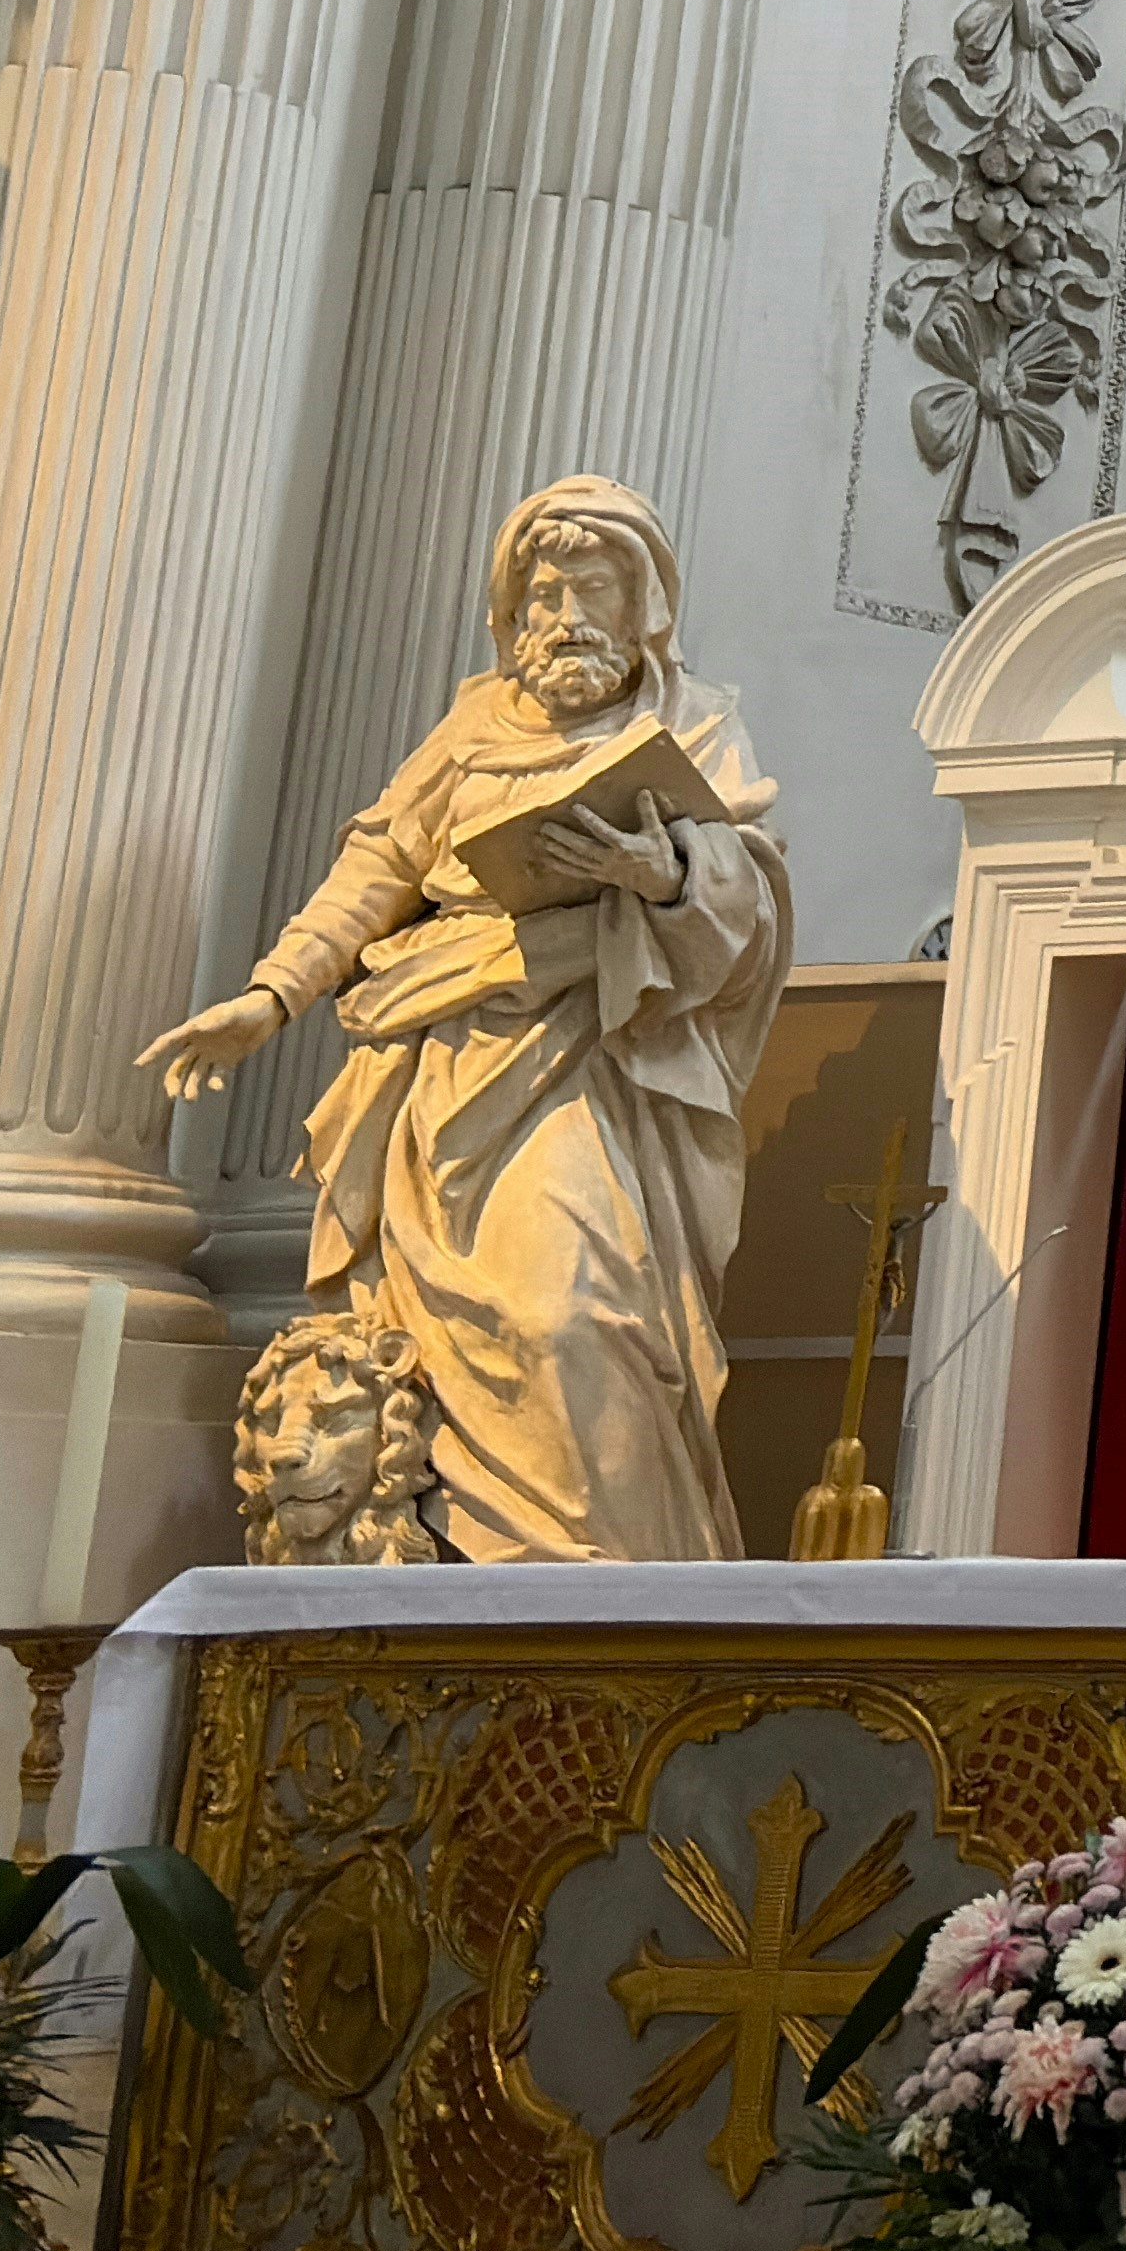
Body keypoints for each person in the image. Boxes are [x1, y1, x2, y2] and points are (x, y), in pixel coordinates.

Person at [143, 482, 792, 1562]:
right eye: (547, 592)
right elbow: (377, 866)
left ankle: (596, 1586)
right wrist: (270, 996)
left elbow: (748, 901)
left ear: (644, 609)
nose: (570, 613)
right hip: (442, 1059)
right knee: (426, 1338)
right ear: (511, 612)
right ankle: (455, 1576)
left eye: (595, 587)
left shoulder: (693, 725)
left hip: (589, 1059)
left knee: (577, 1315)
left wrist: (661, 870)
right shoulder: (472, 730)